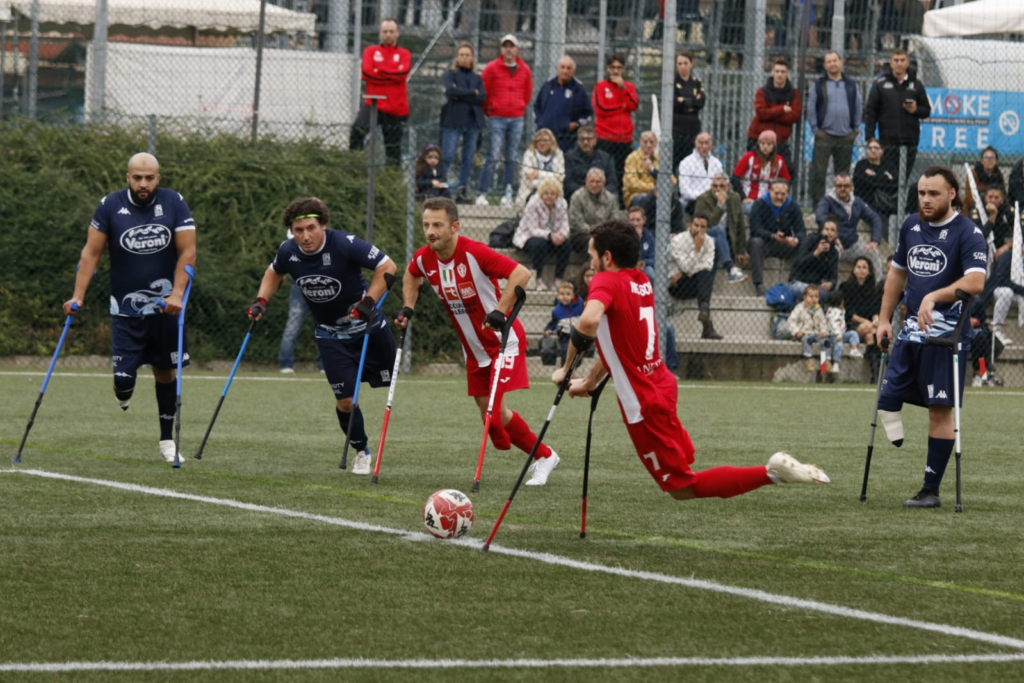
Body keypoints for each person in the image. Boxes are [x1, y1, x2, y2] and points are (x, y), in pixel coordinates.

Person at [552, 219, 829, 504]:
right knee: (683, 474)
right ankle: (772, 473)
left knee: (682, 487)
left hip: (643, 403)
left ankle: (773, 473)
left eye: (592, 255)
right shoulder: (641, 281)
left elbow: (588, 322)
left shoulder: (604, 280)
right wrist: (587, 381)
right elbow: (618, 347)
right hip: (661, 386)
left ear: (607, 257)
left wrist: (565, 368)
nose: (590, 262)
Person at [397, 197, 561, 486]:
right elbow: (411, 275)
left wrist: (500, 310)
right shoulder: (425, 258)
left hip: (503, 342)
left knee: (495, 419)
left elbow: (521, 273)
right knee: (495, 414)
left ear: (455, 226)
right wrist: (408, 306)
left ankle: (538, 455)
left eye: (438, 225)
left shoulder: (475, 253)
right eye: (426, 225)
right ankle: (546, 455)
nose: (430, 231)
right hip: (473, 351)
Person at [247, 197, 398, 475]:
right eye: (298, 230)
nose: (305, 236)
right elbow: (273, 273)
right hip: (330, 336)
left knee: (388, 386)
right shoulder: (288, 251)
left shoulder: (344, 244)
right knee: (345, 400)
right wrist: (261, 301)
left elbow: (388, 266)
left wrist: (368, 302)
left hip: (368, 331)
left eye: (311, 228)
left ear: (323, 226)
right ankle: (361, 450)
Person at [63, 152, 197, 464]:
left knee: (165, 373)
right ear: (128, 178)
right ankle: (123, 392)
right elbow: (91, 254)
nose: (143, 183)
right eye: (137, 177)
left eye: (149, 178)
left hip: (167, 309)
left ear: (158, 179)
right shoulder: (110, 205)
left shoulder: (174, 202)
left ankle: (167, 440)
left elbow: (188, 252)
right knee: (123, 379)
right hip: (124, 310)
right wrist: (77, 296)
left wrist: (178, 294)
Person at [875, 167, 987, 508]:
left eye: (933, 194)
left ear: (951, 194)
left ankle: (930, 490)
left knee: (940, 412)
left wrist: (933, 296)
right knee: (887, 399)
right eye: (922, 193)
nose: (925, 199)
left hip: (946, 337)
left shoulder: (969, 233)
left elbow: (976, 282)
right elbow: (898, 273)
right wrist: (883, 319)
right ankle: (897, 439)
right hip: (910, 332)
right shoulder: (910, 225)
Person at [477, 34, 533, 207]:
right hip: (497, 117)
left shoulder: (524, 70)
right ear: (501, 49)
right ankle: (482, 192)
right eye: (505, 46)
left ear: (517, 49)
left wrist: (519, 106)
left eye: (512, 46)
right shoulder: (491, 68)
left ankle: (507, 193)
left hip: (516, 117)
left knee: (511, 156)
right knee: (493, 155)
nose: (508, 49)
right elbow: (484, 91)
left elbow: (527, 92)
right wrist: (490, 110)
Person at [862, 48, 931, 186]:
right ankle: (888, 207)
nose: (899, 63)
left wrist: (915, 109)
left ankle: (900, 207)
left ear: (907, 62)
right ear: (891, 63)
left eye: (902, 60)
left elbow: (926, 111)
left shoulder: (916, 85)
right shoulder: (880, 84)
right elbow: (870, 112)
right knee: (889, 178)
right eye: (896, 60)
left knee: (903, 180)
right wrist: (869, 137)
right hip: (887, 142)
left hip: (910, 142)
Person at [349, 19, 411, 166]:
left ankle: (392, 180)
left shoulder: (404, 54)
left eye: (391, 31)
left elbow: (402, 74)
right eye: (384, 32)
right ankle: (354, 167)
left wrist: (380, 71)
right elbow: (367, 73)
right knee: (357, 131)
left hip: (395, 107)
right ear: (380, 33)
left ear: (398, 33)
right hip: (373, 103)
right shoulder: (370, 51)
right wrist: (390, 73)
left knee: (393, 148)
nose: (388, 35)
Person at [807, 51, 862, 205]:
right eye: (829, 61)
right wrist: (815, 130)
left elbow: (858, 106)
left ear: (841, 62)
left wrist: (855, 129)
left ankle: (840, 205)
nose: (832, 64)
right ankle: (818, 205)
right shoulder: (819, 84)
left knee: (843, 176)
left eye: (835, 61)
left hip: (846, 136)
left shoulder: (851, 84)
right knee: (818, 173)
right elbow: (811, 108)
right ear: (825, 65)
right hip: (824, 135)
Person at [815, 173, 884, 281]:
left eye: (846, 186)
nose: (843, 188)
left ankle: (879, 289)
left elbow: (875, 218)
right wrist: (833, 236)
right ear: (834, 186)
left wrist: (874, 240)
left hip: (852, 245)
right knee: (826, 255)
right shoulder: (827, 200)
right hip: (833, 245)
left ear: (852, 187)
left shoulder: (857, 202)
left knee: (873, 253)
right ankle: (826, 287)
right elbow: (820, 217)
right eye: (839, 186)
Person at [440, 42, 486, 203]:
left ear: (472, 58)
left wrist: (461, 95)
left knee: (468, 157)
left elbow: (482, 97)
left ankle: (462, 189)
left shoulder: (477, 78)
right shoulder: (450, 74)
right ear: (457, 57)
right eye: (461, 55)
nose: (464, 58)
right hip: (454, 119)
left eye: (467, 55)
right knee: (447, 154)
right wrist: (471, 93)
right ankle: (442, 188)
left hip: (473, 121)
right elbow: (450, 91)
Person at [668, 213, 723, 340]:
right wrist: (697, 249)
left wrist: (683, 272)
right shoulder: (678, 241)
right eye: (696, 225)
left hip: (695, 283)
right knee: (703, 276)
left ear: (707, 229)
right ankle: (707, 325)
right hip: (677, 286)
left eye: (702, 227)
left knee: (705, 274)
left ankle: (704, 311)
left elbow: (708, 266)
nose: (698, 229)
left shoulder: (709, 242)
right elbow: (687, 266)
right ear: (690, 225)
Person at [746, 58, 801, 180]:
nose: (780, 74)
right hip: (758, 139)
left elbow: (794, 116)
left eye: (783, 72)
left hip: (780, 141)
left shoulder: (793, 93)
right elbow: (761, 113)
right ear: (772, 72)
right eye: (777, 71)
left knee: (788, 171)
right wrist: (782, 109)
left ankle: (780, 196)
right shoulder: (762, 91)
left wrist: (770, 113)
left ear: (788, 74)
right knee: (757, 170)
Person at [592, 53, 638, 197]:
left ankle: (622, 205)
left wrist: (623, 88)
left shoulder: (628, 87)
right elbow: (601, 109)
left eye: (619, 67)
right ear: (607, 69)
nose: (616, 71)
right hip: (605, 137)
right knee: (601, 171)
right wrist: (622, 107)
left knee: (622, 174)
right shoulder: (600, 86)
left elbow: (634, 105)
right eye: (613, 67)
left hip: (624, 139)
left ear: (623, 69)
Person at [748, 179, 804, 296]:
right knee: (755, 242)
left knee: (804, 243)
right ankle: (759, 284)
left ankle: (797, 281)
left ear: (787, 193)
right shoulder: (759, 204)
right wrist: (772, 236)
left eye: (783, 194)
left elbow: (801, 230)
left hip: (784, 244)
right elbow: (755, 229)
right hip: (765, 243)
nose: (779, 197)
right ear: (770, 191)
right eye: (776, 193)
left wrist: (795, 240)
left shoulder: (793, 206)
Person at [513, 177, 570, 291]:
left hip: (553, 237)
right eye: (546, 193)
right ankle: (538, 279)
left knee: (567, 245)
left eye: (553, 193)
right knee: (540, 244)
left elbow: (565, 224)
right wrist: (550, 235)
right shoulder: (533, 203)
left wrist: (562, 235)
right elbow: (532, 229)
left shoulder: (562, 203)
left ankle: (558, 280)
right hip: (528, 237)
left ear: (557, 194)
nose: (549, 196)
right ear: (541, 193)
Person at [692, 173, 748, 282]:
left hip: (727, 239)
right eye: (715, 186)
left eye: (722, 186)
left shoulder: (735, 198)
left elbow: (741, 225)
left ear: (728, 187)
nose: (718, 189)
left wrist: (741, 250)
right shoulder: (703, 199)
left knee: (719, 239)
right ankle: (730, 268)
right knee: (719, 230)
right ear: (711, 186)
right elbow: (705, 226)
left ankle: (706, 293)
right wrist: (720, 206)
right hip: (705, 235)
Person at [533, 56, 594, 152]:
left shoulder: (578, 89)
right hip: (545, 137)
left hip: (566, 139)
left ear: (573, 71)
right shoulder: (548, 85)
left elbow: (588, 114)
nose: (565, 71)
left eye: (568, 68)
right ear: (557, 69)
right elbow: (537, 106)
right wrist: (540, 121)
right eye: (562, 67)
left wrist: (576, 124)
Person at [732, 130, 791, 214]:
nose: (765, 147)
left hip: (770, 201)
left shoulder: (779, 161)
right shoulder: (749, 157)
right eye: (762, 144)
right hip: (750, 200)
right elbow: (735, 178)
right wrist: (743, 197)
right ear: (758, 144)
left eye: (769, 144)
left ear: (774, 146)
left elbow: (786, 181)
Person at [569, 168, 621, 253]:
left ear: (604, 183)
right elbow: (576, 223)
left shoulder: (611, 199)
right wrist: (594, 231)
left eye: (598, 182)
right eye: (591, 181)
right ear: (586, 182)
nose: (594, 185)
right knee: (594, 242)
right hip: (582, 235)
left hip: (605, 234)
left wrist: (603, 232)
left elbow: (615, 220)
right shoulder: (577, 197)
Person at [790, 216, 839, 304]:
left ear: (836, 234)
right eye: (826, 229)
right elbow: (799, 263)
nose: (829, 232)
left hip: (817, 285)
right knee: (818, 294)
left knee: (839, 291)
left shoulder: (834, 252)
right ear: (821, 231)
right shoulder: (810, 240)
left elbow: (834, 277)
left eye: (832, 230)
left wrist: (830, 284)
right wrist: (816, 252)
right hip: (799, 282)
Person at [853, 139, 898, 233]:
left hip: (883, 205)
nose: (873, 150)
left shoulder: (889, 165)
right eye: (870, 148)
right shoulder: (861, 165)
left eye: (876, 148)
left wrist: (874, 177)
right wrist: (884, 178)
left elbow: (895, 185)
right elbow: (860, 183)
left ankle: (882, 244)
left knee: (882, 218)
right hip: (865, 202)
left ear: (881, 151)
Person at [563, 125, 619, 199]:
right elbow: (568, 183)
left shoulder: (605, 157)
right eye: (582, 139)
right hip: (579, 194)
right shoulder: (569, 157)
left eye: (589, 139)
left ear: (595, 140)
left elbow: (613, 182)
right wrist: (587, 191)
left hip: (602, 194)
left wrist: (598, 191)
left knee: (614, 196)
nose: (585, 142)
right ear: (578, 141)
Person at [671, 51, 706, 171]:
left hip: (693, 131)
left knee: (691, 165)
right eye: (679, 63)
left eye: (685, 63)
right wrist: (691, 102)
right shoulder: (672, 82)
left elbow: (700, 102)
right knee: (673, 163)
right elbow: (675, 104)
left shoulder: (696, 83)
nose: (682, 66)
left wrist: (684, 100)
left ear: (692, 64)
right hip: (677, 131)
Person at [787, 285, 833, 372]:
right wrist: (797, 331)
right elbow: (791, 321)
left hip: (816, 333)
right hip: (805, 333)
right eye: (811, 296)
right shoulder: (799, 308)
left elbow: (823, 322)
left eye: (816, 297)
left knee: (826, 342)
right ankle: (808, 361)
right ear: (805, 297)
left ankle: (825, 364)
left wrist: (823, 331)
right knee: (807, 340)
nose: (814, 299)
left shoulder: (818, 309)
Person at [516, 128, 565, 207]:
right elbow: (528, 179)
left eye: (545, 140)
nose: (542, 143)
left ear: (551, 142)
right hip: (531, 191)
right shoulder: (529, 154)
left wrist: (538, 174)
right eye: (539, 140)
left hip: (553, 191)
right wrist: (552, 178)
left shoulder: (558, 154)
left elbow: (561, 177)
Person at [677, 132, 724, 210]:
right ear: (695, 144)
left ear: (711, 145)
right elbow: (684, 191)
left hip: (713, 201)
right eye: (701, 143)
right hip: (693, 202)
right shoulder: (686, 163)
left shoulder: (717, 163)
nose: (704, 146)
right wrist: (705, 197)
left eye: (707, 143)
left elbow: (721, 184)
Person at [544, 281, 584, 365]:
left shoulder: (580, 305)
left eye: (568, 294)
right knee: (565, 352)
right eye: (562, 294)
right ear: (557, 296)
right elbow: (554, 323)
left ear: (573, 296)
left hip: (578, 334)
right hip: (565, 336)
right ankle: (564, 371)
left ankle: (572, 369)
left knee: (578, 356)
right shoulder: (557, 311)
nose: (565, 297)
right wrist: (549, 329)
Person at [963, 146, 1007, 220]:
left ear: (996, 161)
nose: (989, 160)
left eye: (992, 158)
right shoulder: (973, 174)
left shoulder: (999, 175)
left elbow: (1003, 195)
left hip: (997, 209)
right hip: (976, 209)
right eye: (986, 157)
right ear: (982, 161)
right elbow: (969, 197)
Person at [622, 131, 660, 208]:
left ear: (656, 144)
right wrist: (653, 188)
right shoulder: (632, 158)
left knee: (677, 203)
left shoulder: (660, 158)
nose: (648, 145)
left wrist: (652, 169)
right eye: (645, 142)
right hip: (636, 194)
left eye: (651, 142)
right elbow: (632, 184)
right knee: (647, 200)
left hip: (658, 194)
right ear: (640, 142)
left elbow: (671, 180)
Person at [826, 288, 864, 361]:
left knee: (853, 333)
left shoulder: (832, 310)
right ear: (841, 302)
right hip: (835, 336)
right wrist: (839, 335)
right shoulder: (835, 313)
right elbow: (834, 325)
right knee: (851, 335)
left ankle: (853, 350)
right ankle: (853, 349)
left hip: (837, 334)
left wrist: (842, 309)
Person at [628, 206, 656, 281]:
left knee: (650, 272)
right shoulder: (623, 236)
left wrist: (644, 262)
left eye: (638, 220)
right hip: (627, 268)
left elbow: (655, 257)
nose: (635, 224)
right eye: (632, 220)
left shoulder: (649, 236)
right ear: (628, 221)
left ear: (644, 220)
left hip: (643, 267)